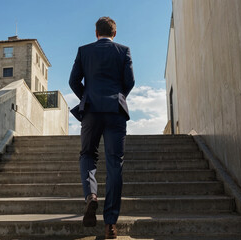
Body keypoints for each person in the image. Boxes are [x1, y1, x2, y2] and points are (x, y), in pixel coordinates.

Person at [69, 16, 135, 239]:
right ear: (114, 33)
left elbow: (73, 81)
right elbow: (130, 81)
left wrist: (87, 97)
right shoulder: (123, 51)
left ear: (96, 32)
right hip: (115, 112)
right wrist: (118, 97)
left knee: (88, 154)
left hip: (91, 111)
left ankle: (91, 196)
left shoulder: (84, 51)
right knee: (115, 163)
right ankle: (110, 224)